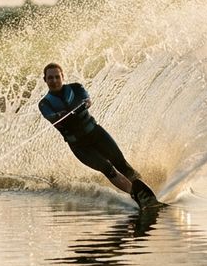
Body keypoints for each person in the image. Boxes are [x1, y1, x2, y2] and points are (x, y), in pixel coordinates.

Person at [38, 62, 158, 207]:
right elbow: (52, 117)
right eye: (50, 78)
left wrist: (83, 105)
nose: (54, 81)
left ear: (63, 76)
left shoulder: (76, 88)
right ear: (45, 80)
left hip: (96, 134)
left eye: (57, 77)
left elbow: (87, 100)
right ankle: (137, 196)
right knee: (107, 169)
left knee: (122, 164)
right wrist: (62, 114)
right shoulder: (44, 104)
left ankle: (148, 191)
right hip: (79, 146)